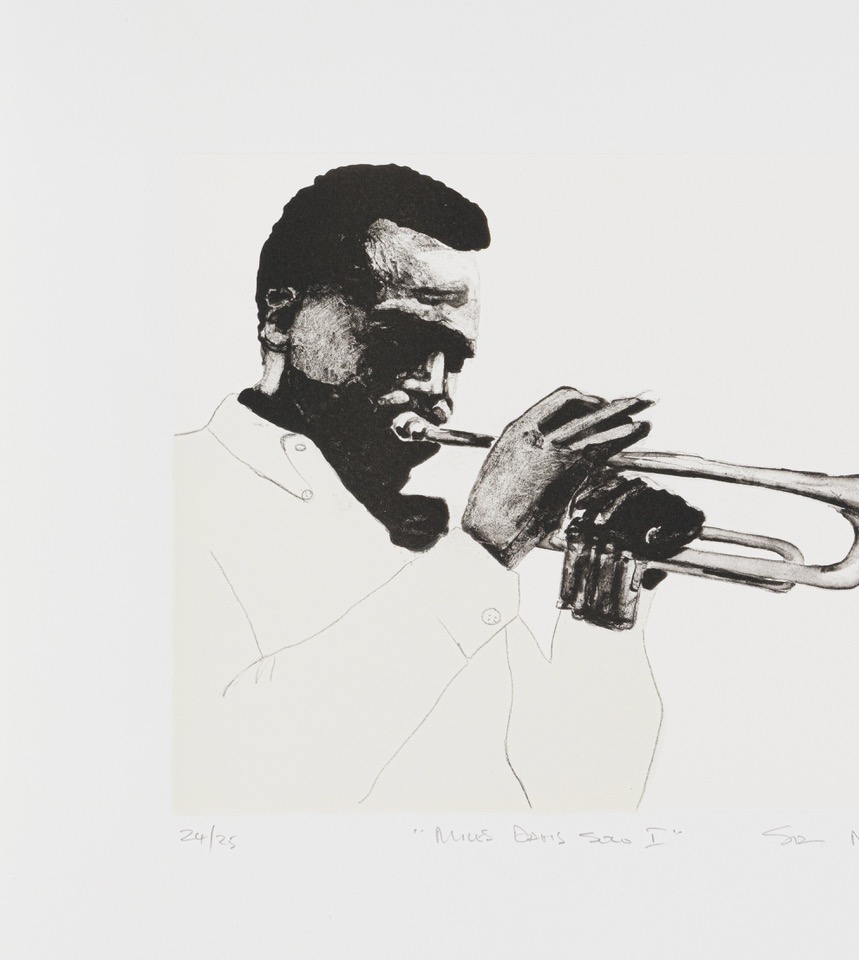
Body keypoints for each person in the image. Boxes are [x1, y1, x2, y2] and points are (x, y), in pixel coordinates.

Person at [173, 164, 700, 813]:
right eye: (403, 339)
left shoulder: (425, 539)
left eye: (454, 359)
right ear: (282, 317)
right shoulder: (177, 492)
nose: (437, 391)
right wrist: (484, 548)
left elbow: (580, 802)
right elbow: (235, 780)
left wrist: (602, 607)